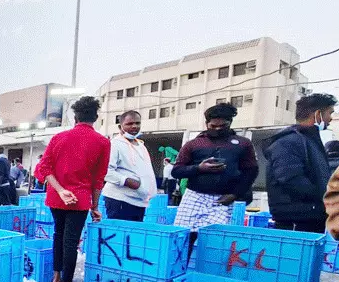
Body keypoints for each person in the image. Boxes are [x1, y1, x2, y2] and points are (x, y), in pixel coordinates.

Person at [34, 96, 110, 282]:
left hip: (56, 198)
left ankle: (57, 279)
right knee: (71, 242)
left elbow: (44, 168)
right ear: (95, 117)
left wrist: (59, 190)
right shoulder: (103, 142)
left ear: (75, 116)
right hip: (80, 199)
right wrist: (95, 206)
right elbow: (98, 178)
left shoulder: (58, 138)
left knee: (58, 236)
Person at [172, 103, 258, 247]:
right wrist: (199, 168)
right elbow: (177, 171)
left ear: (230, 123)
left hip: (224, 199)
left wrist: (234, 195)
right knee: (183, 238)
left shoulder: (243, 144)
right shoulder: (194, 144)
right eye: (213, 126)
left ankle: (209, 269)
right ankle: (180, 267)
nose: (217, 130)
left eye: (222, 126)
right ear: (206, 124)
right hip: (195, 196)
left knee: (216, 243)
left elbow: (251, 172)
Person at [265, 93, 336, 233]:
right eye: (329, 113)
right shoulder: (289, 142)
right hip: (296, 220)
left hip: (311, 216)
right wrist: (325, 198)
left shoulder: (309, 141)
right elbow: (291, 179)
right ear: (318, 114)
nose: (331, 118)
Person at [102, 110, 157, 221]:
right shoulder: (115, 144)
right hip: (120, 199)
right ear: (120, 126)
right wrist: (126, 181)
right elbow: (105, 171)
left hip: (139, 201)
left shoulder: (141, 145)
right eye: (129, 124)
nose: (134, 126)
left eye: (137, 123)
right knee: (120, 236)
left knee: (133, 236)